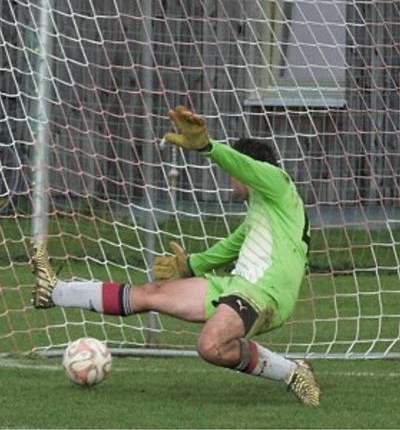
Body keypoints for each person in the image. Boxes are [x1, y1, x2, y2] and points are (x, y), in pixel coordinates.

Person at [32, 105, 321, 406]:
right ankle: (55, 292)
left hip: (265, 294)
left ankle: (292, 371)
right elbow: (229, 247)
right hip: (239, 287)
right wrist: (191, 265)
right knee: (151, 293)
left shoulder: (278, 182)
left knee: (210, 346)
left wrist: (208, 147)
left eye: (233, 172)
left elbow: (242, 165)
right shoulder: (266, 210)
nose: (230, 178)